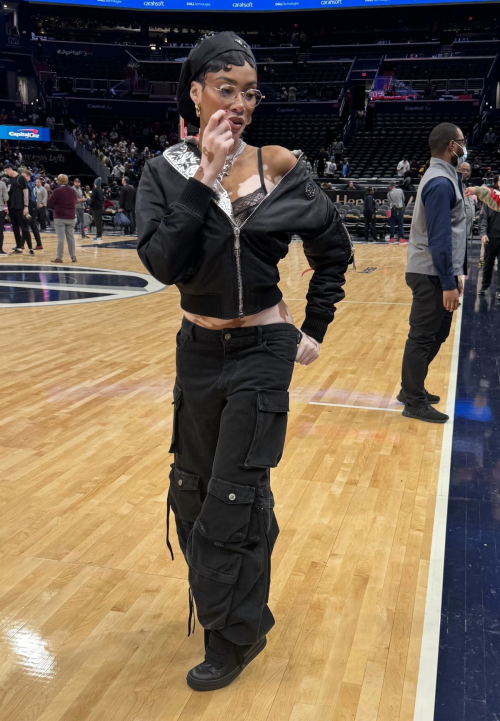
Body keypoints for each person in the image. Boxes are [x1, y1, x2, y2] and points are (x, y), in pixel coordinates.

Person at [136, 31, 351, 692]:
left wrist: (314, 324)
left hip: (262, 349)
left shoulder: (282, 167)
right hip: (197, 352)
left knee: (233, 495)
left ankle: (236, 636)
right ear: (196, 92)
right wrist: (205, 175)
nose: (238, 103)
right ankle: (245, 604)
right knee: (196, 496)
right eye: (225, 89)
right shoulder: (164, 171)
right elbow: (162, 262)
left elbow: (332, 248)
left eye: (249, 92)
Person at [400, 122, 467, 424]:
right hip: (430, 272)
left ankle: (412, 388)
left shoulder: (446, 178)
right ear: (452, 146)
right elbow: (440, 238)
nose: (466, 146)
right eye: (463, 141)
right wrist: (448, 282)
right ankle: (412, 400)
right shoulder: (440, 182)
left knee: (437, 334)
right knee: (423, 337)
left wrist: (456, 273)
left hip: (436, 271)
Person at [476, 175, 500, 299]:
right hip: (491, 238)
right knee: (488, 264)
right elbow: (483, 219)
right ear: (497, 183)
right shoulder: (490, 200)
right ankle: (484, 286)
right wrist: (483, 234)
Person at [4, 162, 33, 255]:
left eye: (6, 170)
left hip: (20, 207)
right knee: (15, 228)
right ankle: (19, 246)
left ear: (10, 169)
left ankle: (30, 248)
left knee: (24, 228)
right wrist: (6, 207)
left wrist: (26, 206)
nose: (5, 172)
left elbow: (26, 193)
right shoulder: (8, 180)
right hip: (11, 207)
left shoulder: (21, 179)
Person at [48, 174, 78, 263]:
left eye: (57, 180)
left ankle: (59, 257)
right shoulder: (73, 191)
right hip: (71, 217)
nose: (56, 182)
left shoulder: (57, 191)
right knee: (71, 237)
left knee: (60, 237)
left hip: (60, 217)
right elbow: (75, 201)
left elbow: (50, 203)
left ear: (60, 181)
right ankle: (73, 257)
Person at [21, 168, 43, 250]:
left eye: (23, 176)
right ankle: (22, 244)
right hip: (33, 205)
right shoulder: (33, 183)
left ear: (28, 176)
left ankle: (23, 244)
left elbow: (27, 196)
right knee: (29, 225)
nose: (22, 178)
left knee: (29, 225)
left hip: (30, 204)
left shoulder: (27, 184)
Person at [89, 177, 104, 241]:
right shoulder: (100, 190)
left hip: (96, 208)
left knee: (97, 222)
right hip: (100, 207)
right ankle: (99, 235)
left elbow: (92, 198)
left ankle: (98, 236)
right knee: (99, 222)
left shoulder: (95, 189)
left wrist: (89, 204)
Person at [0, 172, 8, 255]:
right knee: (0, 231)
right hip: (0, 209)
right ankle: (0, 249)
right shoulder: (2, 184)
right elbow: (6, 198)